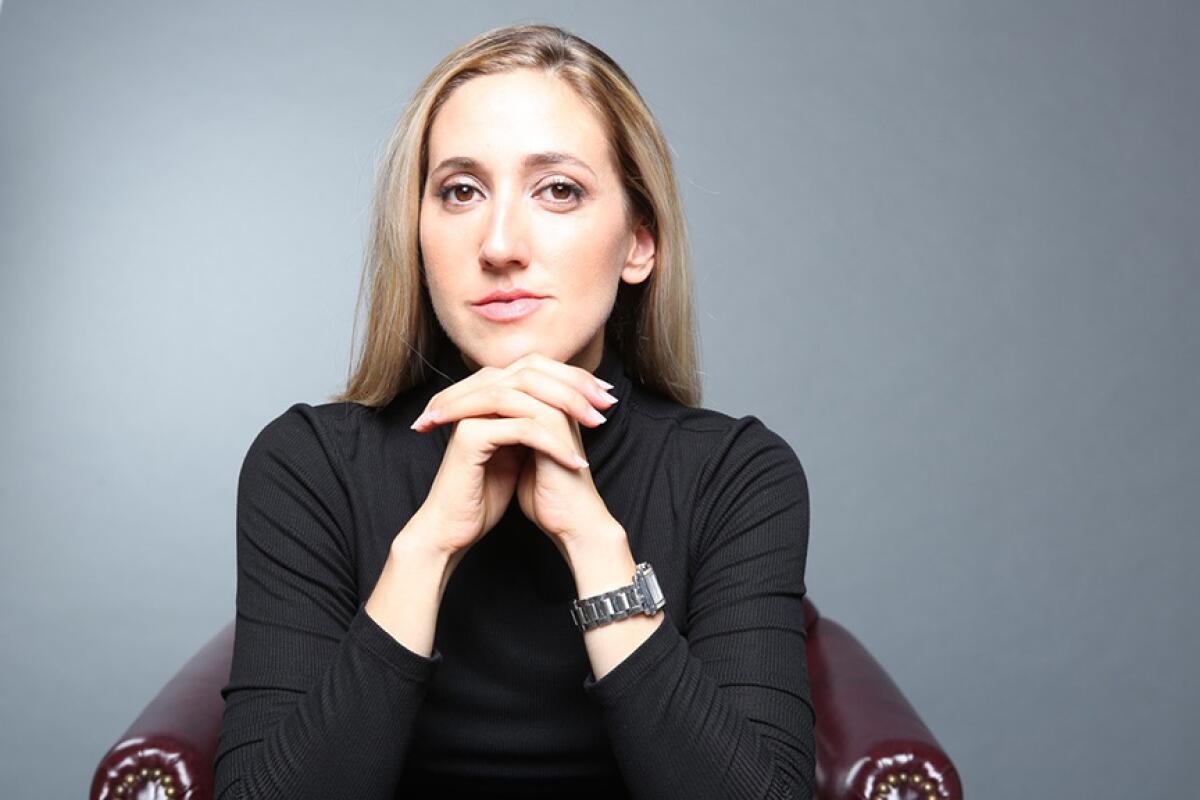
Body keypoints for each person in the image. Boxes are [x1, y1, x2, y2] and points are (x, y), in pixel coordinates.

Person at [214, 23, 815, 800]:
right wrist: (425, 548)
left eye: (557, 190)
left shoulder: (737, 475)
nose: (499, 243)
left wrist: (593, 540)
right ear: (418, 233)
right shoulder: (311, 465)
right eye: (460, 191)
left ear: (638, 243)